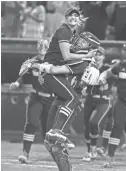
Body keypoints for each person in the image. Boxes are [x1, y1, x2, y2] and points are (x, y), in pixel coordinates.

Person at [31, 8, 99, 171]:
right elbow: (59, 69)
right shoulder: (78, 56)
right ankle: (58, 134)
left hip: (65, 103)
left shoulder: (84, 63)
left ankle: (65, 166)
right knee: (54, 143)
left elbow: (58, 70)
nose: (79, 41)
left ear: (90, 47)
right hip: (63, 100)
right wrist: (40, 66)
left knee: (53, 145)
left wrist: (38, 66)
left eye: (84, 41)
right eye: (80, 39)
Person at [9, 38, 54, 163]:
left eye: (45, 46)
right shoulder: (31, 62)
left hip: (51, 99)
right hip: (36, 96)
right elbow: (22, 77)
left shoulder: (56, 62)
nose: (42, 48)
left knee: (48, 130)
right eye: (40, 45)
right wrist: (16, 83)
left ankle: (58, 148)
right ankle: (25, 152)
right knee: (31, 122)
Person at [81, 47, 115, 162]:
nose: (97, 56)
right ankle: (89, 151)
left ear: (104, 57)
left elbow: (115, 81)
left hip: (103, 100)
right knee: (87, 126)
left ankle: (94, 148)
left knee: (93, 122)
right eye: (96, 54)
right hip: (90, 99)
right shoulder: (88, 68)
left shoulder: (108, 69)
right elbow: (82, 84)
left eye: (100, 54)